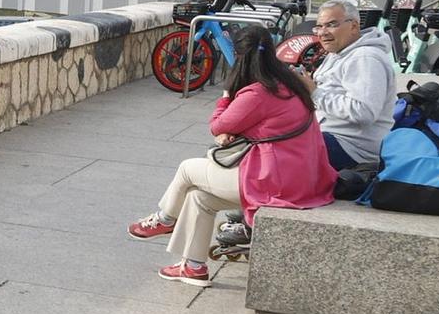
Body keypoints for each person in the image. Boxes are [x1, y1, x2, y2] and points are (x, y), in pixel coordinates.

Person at [129, 25, 336, 283]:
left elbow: (218, 125)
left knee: (187, 169)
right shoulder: (291, 85)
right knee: (198, 197)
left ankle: (165, 218)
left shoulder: (259, 93)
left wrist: (226, 96)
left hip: (276, 184)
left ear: (239, 57)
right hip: (302, 178)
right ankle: (193, 266)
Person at [301, 0, 395, 169]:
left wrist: (315, 92)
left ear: (353, 26)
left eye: (331, 25)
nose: (323, 32)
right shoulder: (339, 52)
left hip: (352, 148)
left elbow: (364, 112)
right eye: (319, 26)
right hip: (330, 136)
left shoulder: (365, 58)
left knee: (279, 146)